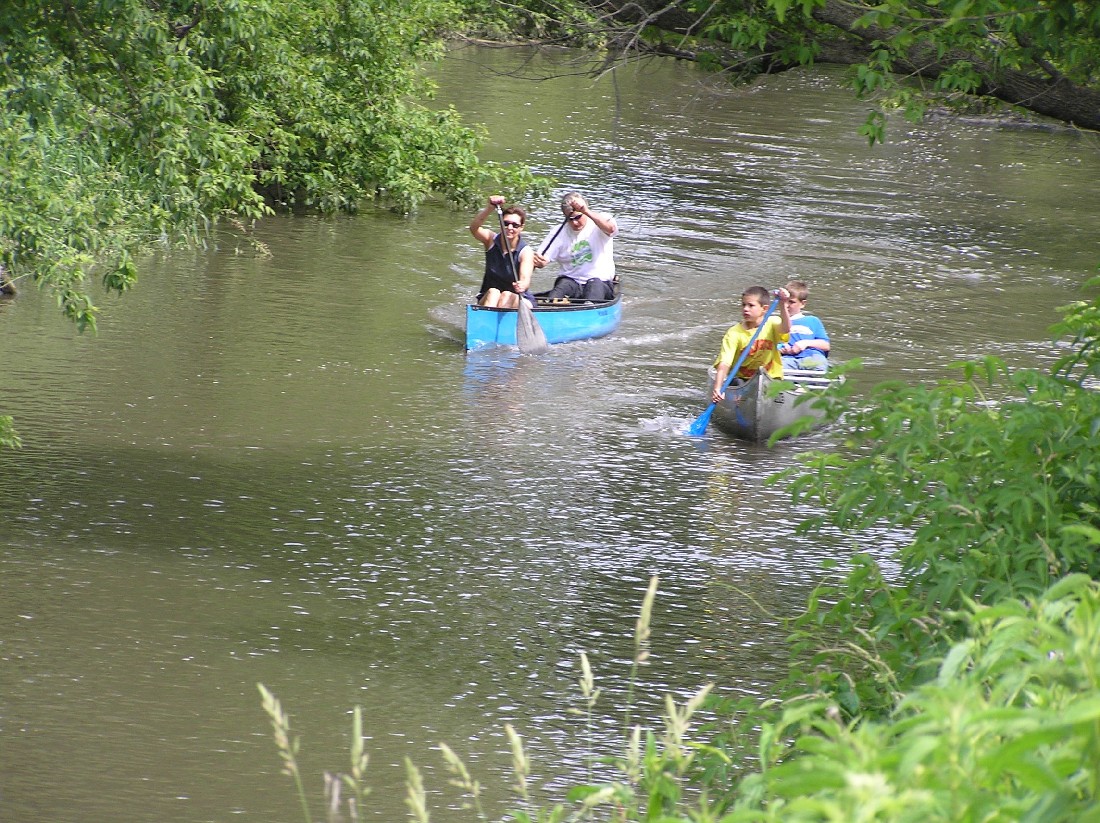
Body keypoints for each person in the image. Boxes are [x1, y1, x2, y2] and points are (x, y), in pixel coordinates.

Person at [710, 285, 792, 404]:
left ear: (764, 309)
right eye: (743, 305)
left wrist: (783, 304)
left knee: (780, 389)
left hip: (771, 377)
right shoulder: (734, 333)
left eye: (751, 305)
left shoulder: (772, 323)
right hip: (742, 380)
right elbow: (724, 364)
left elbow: (786, 328)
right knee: (737, 384)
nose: (745, 309)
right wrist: (717, 388)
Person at [532, 192, 617, 302]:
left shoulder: (601, 220)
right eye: (570, 219)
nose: (575, 223)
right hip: (571, 282)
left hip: (600, 283)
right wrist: (540, 262)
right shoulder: (558, 232)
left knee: (594, 284)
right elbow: (541, 258)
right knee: (561, 287)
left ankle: (589, 307)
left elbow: (611, 229)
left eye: (578, 217)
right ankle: (551, 305)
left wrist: (586, 211)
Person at [468, 195, 535, 309]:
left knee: (506, 295)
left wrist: (522, 285)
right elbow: (474, 228)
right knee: (494, 293)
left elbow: (525, 279)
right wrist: (489, 208)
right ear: (501, 224)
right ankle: (489, 321)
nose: (509, 227)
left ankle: (493, 322)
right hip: (490, 297)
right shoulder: (490, 240)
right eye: (506, 223)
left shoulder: (526, 252)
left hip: (518, 298)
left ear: (521, 227)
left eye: (515, 225)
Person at [778, 279, 830, 371]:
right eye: (784, 301)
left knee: (819, 365)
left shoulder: (812, 321)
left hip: (812, 357)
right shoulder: (776, 322)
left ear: (802, 304)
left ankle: (818, 381)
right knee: (777, 367)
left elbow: (825, 345)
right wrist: (780, 347)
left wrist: (806, 343)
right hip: (787, 359)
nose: (786, 305)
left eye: (791, 302)